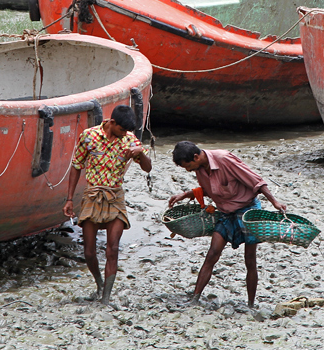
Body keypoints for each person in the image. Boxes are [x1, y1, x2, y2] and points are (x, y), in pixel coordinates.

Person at [167, 141, 287, 307]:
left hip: (247, 210)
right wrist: (187, 194)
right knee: (212, 254)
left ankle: (251, 304)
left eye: (188, 166)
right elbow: (211, 189)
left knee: (250, 260)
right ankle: (195, 299)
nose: (188, 170)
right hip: (226, 212)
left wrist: (274, 202)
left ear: (196, 157)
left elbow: (256, 181)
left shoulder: (224, 159)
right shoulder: (200, 168)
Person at [63, 105, 150, 305]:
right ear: (112, 123)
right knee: (89, 252)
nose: (124, 134)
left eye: (127, 132)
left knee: (112, 249)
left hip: (115, 197)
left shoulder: (129, 141)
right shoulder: (88, 136)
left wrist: (141, 152)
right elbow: (76, 166)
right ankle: (99, 283)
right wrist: (69, 199)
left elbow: (147, 168)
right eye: (121, 130)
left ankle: (106, 298)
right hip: (92, 195)